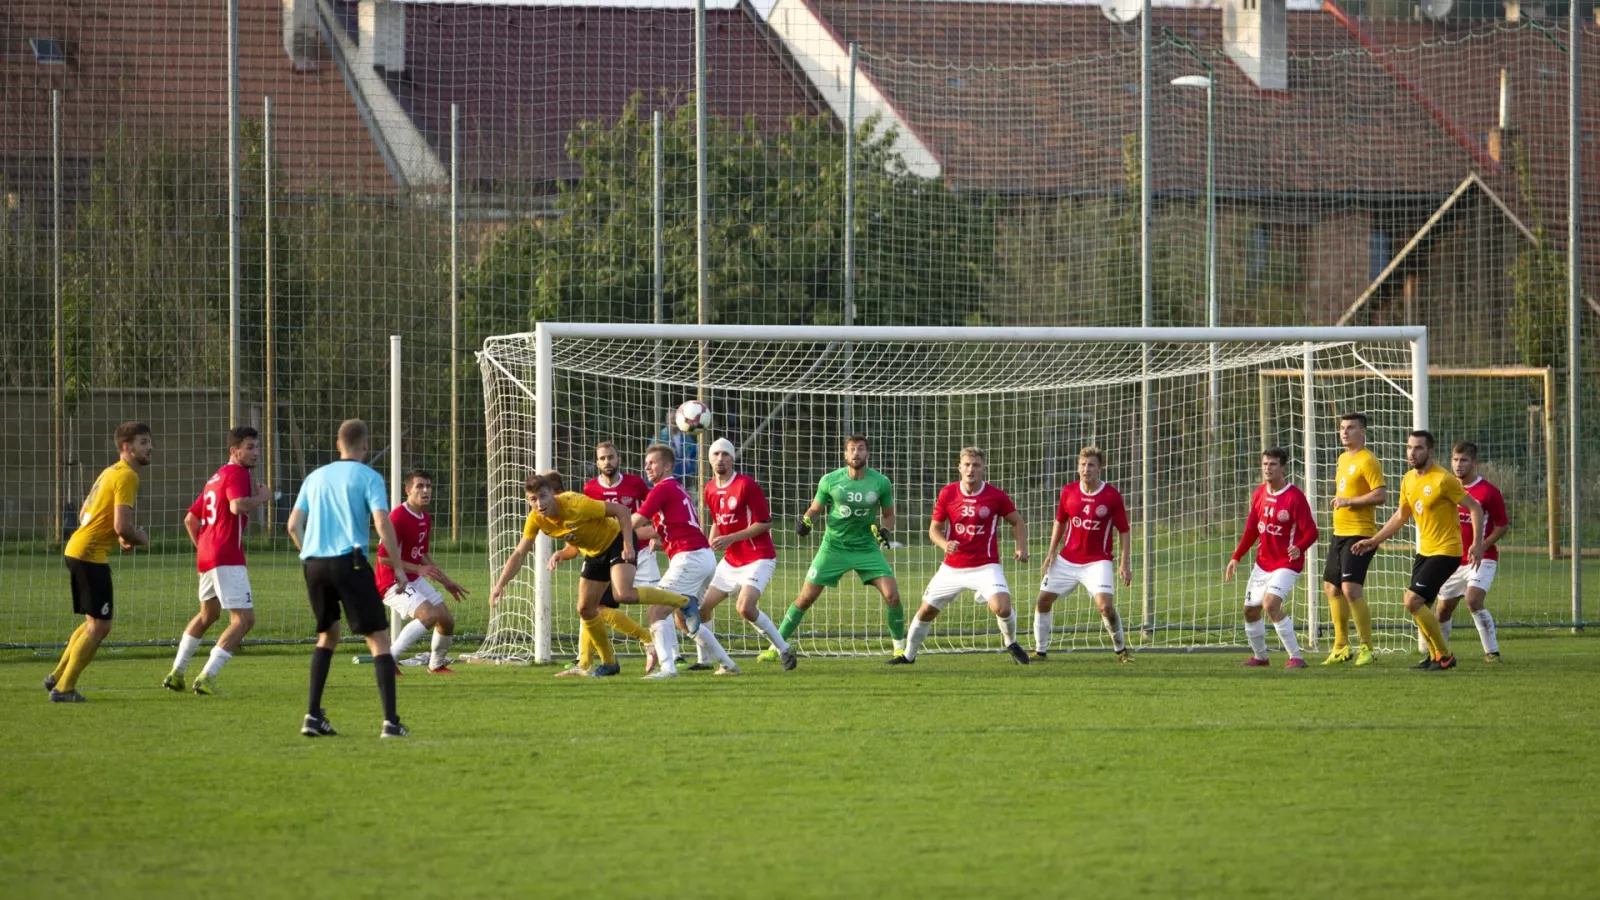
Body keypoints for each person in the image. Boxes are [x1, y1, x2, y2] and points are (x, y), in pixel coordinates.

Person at [490, 470, 690, 677]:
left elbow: (622, 510)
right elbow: (519, 553)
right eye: (533, 499)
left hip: (616, 539)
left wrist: (628, 545)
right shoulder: (535, 519)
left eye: (543, 496)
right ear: (528, 501)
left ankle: (683, 601)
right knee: (586, 609)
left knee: (623, 594)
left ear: (553, 493)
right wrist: (499, 585)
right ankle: (609, 663)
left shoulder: (576, 504)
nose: (539, 504)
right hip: (595, 553)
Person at [287, 419, 410, 738]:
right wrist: (398, 567)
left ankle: (312, 716)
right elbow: (382, 522)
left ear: (337, 444)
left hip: (314, 565)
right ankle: (391, 722)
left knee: (328, 635)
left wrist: (309, 554)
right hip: (349, 562)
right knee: (378, 638)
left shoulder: (315, 477)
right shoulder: (369, 477)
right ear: (364, 445)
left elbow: (293, 525)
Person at [1353, 430, 1485, 671]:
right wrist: (1374, 540)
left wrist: (1477, 543)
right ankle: (1434, 656)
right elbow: (1401, 516)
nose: (1412, 453)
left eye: (1418, 448)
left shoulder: (1443, 479)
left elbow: (1474, 507)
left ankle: (1445, 655)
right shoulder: (1408, 479)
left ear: (1430, 452)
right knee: (1420, 605)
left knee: (1412, 601)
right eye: (1409, 447)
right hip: (1425, 552)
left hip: (1447, 551)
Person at [45, 422, 152, 703]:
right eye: (143, 442)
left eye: (149, 441)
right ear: (126, 447)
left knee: (93, 622)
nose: (150, 447)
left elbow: (85, 513)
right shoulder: (127, 476)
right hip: (89, 555)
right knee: (100, 627)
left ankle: (57, 677)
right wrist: (137, 537)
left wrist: (120, 536)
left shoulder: (110, 471)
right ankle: (64, 689)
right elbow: (122, 526)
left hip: (77, 549)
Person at [773, 434, 904, 659]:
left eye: (861, 448)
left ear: (868, 454)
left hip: (865, 548)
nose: (856, 453)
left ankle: (900, 649)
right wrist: (806, 522)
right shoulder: (830, 480)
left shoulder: (881, 482)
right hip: (833, 547)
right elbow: (815, 509)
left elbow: (889, 515)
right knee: (805, 597)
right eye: (852, 449)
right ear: (845, 455)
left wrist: (885, 530)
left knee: (892, 596)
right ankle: (775, 647)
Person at [894, 447, 1028, 666]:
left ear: (983, 468)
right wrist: (945, 544)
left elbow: (1017, 521)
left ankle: (1011, 643)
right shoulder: (948, 493)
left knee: (1002, 608)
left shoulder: (996, 495)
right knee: (926, 611)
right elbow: (934, 529)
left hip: (986, 565)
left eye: (976, 465)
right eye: (967, 464)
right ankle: (908, 656)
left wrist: (1021, 547)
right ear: (960, 468)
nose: (971, 469)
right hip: (952, 567)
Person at [164, 426, 272, 695]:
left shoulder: (216, 477)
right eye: (250, 447)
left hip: (207, 555)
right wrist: (262, 497)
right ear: (234, 451)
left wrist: (205, 547)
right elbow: (237, 505)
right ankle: (207, 676)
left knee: (208, 614)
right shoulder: (237, 473)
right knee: (244, 620)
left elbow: (190, 519)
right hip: (226, 555)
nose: (256, 452)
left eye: (257, 447)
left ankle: (176, 673)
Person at [700, 438, 795, 670]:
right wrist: (710, 544)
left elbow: (765, 523)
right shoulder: (709, 488)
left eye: (725, 454)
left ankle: (784, 649)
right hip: (731, 561)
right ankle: (705, 660)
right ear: (710, 459)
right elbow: (717, 521)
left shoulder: (746, 485)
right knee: (701, 607)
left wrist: (730, 538)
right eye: (716, 454)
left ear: (732, 458)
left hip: (758, 557)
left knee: (745, 608)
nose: (720, 459)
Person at [1033, 446, 1133, 662]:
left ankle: (1121, 649)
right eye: (1083, 465)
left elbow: (1124, 530)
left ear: (1100, 469)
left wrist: (1124, 563)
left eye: (1091, 465)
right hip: (1067, 559)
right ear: (1078, 467)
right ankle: (1040, 651)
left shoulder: (1111, 496)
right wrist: (1051, 552)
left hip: (1098, 561)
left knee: (1106, 607)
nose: (1086, 469)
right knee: (1042, 601)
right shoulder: (1068, 491)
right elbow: (1060, 522)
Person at [636, 443, 726, 678]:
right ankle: (727, 664)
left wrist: (609, 529)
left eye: (652, 462)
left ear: (667, 466)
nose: (647, 467)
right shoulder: (677, 488)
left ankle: (668, 668)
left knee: (655, 612)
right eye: (646, 463)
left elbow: (636, 520)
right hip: (703, 556)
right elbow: (653, 530)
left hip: (689, 558)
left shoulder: (662, 489)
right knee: (682, 620)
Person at [1223, 448, 1318, 669]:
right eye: (1265, 464)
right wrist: (1236, 556)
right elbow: (1251, 530)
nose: (1268, 468)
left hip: (1287, 563)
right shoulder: (1259, 494)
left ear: (1283, 468)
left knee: (1270, 604)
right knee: (1250, 610)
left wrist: (1299, 547)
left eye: (1273, 464)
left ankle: (1296, 657)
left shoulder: (1294, 497)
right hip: (1263, 563)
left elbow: (1312, 532)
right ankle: (1261, 657)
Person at [1422, 440, 1508, 662]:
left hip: (1482, 557)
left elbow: (1502, 525)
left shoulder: (1488, 492)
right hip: (1452, 560)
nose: (1458, 465)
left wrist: (1481, 545)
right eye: (1455, 460)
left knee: (1473, 600)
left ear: (1474, 462)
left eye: (1464, 460)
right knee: (1442, 611)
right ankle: (1439, 654)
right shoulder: (1445, 487)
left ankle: (1492, 652)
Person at [376, 470, 469, 674]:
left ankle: (436, 664)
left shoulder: (425, 517)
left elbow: (423, 553)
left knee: (446, 621)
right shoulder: (397, 517)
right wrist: (419, 568)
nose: (425, 490)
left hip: (412, 577)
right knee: (428, 615)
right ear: (408, 490)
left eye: (428, 486)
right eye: (419, 486)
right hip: (392, 581)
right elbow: (383, 557)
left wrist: (446, 581)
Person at [1322, 413, 1385, 666]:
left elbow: (1380, 495)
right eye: (1342, 428)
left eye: (1350, 428)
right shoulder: (1342, 459)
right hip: (1339, 532)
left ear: (1363, 432)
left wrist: (1350, 501)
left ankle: (1367, 648)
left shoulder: (1368, 460)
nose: (1345, 432)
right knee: (1331, 587)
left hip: (1360, 533)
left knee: (1350, 589)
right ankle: (1340, 647)